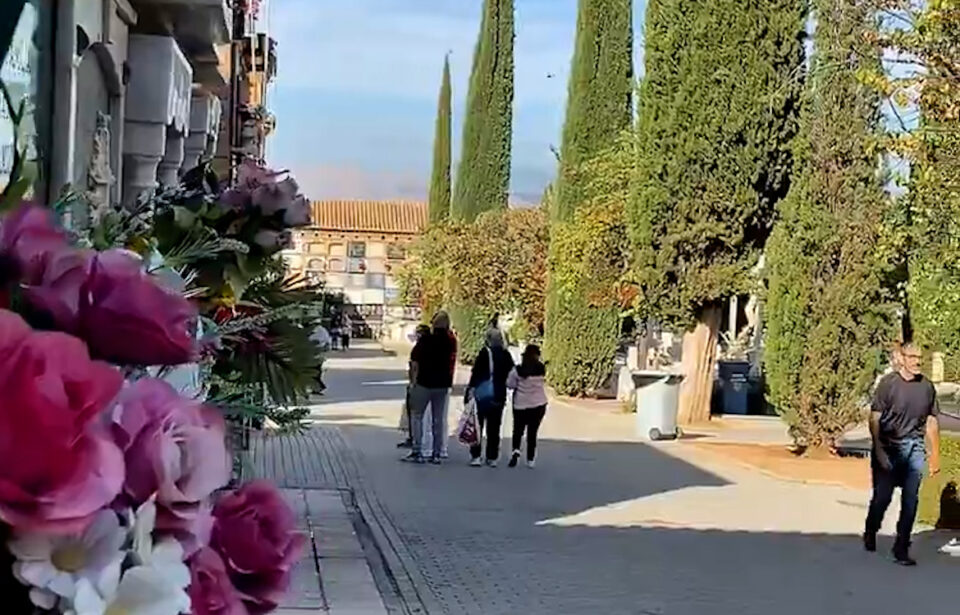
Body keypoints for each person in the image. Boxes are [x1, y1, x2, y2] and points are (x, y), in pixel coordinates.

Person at [864, 342, 941, 566]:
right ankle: (871, 529)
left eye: (920, 357)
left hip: (914, 447)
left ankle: (901, 547)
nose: (917, 361)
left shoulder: (927, 387)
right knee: (883, 497)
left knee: (910, 499)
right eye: (913, 356)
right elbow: (875, 418)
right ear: (902, 358)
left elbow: (931, 422)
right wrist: (878, 449)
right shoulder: (888, 384)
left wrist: (935, 454)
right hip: (888, 446)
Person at [403, 311, 457, 464]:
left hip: (424, 383)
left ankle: (417, 451)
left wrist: (412, 382)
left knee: (417, 416)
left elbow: (414, 363)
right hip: (442, 385)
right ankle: (436, 453)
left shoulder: (426, 340)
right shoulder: (450, 342)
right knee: (438, 419)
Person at [466, 327, 514, 467]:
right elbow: (511, 373)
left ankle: (476, 456)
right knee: (494, 428)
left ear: (488, 339)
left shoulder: (484, 353)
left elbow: (476, 373)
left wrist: (471, 389)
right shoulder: (506, 355)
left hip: (482, 394)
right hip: (498, 394)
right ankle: (492, 457)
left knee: (478, 425)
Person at [506, 344, 548, 468]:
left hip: (521, 404)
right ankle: (530, 459)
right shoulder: (541, 369)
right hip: (538, 404)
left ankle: (516, 451)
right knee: (532, 432)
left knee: (518, 430)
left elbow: (509, 384)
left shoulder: (518, 370)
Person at [398, 324, 432, 449]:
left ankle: (416, 442)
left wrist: (412, 383)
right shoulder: (433, 347)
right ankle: (415, 439)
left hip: (419, 384)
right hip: (431, 384)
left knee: (415, 414)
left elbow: (414, 367)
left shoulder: (418, 348)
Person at [308, 323, 332, 395]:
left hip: (316, 354)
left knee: (315, 370)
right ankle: (317, 387)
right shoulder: (321, 331)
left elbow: (327, 343)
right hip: (314, 354)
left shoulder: (319, 331)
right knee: (315, 370)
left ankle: (318, 387)